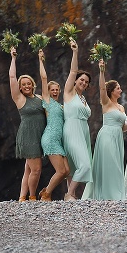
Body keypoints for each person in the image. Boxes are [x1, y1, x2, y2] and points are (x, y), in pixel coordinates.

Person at [82, 59, 126, 200]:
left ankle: (116, 193)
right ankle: (107, 194)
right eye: (118, 88)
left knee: (117, 165)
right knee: (110, 163)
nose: (121, 90)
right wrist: (101, 71)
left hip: (118, 136)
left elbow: (124, 128)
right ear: (112, 91)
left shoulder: (122, 108)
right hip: (107, 135)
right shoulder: (106, 103)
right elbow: (102, 89)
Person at [8, 46, 46, 201]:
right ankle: (32, 197)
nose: (26, 86)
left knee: (28, 170)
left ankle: (22, 197)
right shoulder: (19, 99)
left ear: (32, 84)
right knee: (36, 169)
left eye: (28, 83)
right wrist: (13, 58)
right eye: (23, 84)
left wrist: (41, 60)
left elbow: (44, 78)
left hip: (39, 136)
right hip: (27, 136)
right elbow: (11, 77)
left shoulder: (39, 98)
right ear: (20, 87)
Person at [36, 49, 70, 201]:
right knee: (61, 171)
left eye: (57, 90)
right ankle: (46, 194)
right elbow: (44, 78)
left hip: (59, 141)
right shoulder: (47, 102)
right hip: (50, 138)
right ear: (48, 92)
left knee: (67, 170)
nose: (55, 92)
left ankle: (46, 191)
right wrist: (41, 60)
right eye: (52, 90)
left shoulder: (61, 106)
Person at [62, 39, 93, 200]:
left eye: (86, 82)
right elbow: (73, 71)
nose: (83, 82)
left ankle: (72, 194)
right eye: (81, 80)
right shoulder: (69, 93)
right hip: (72, 129)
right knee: (85, 165)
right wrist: (75, 51)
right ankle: (68, 194)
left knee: (74, 166)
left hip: (83, 131)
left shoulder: (83, 99)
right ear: (75, 81)